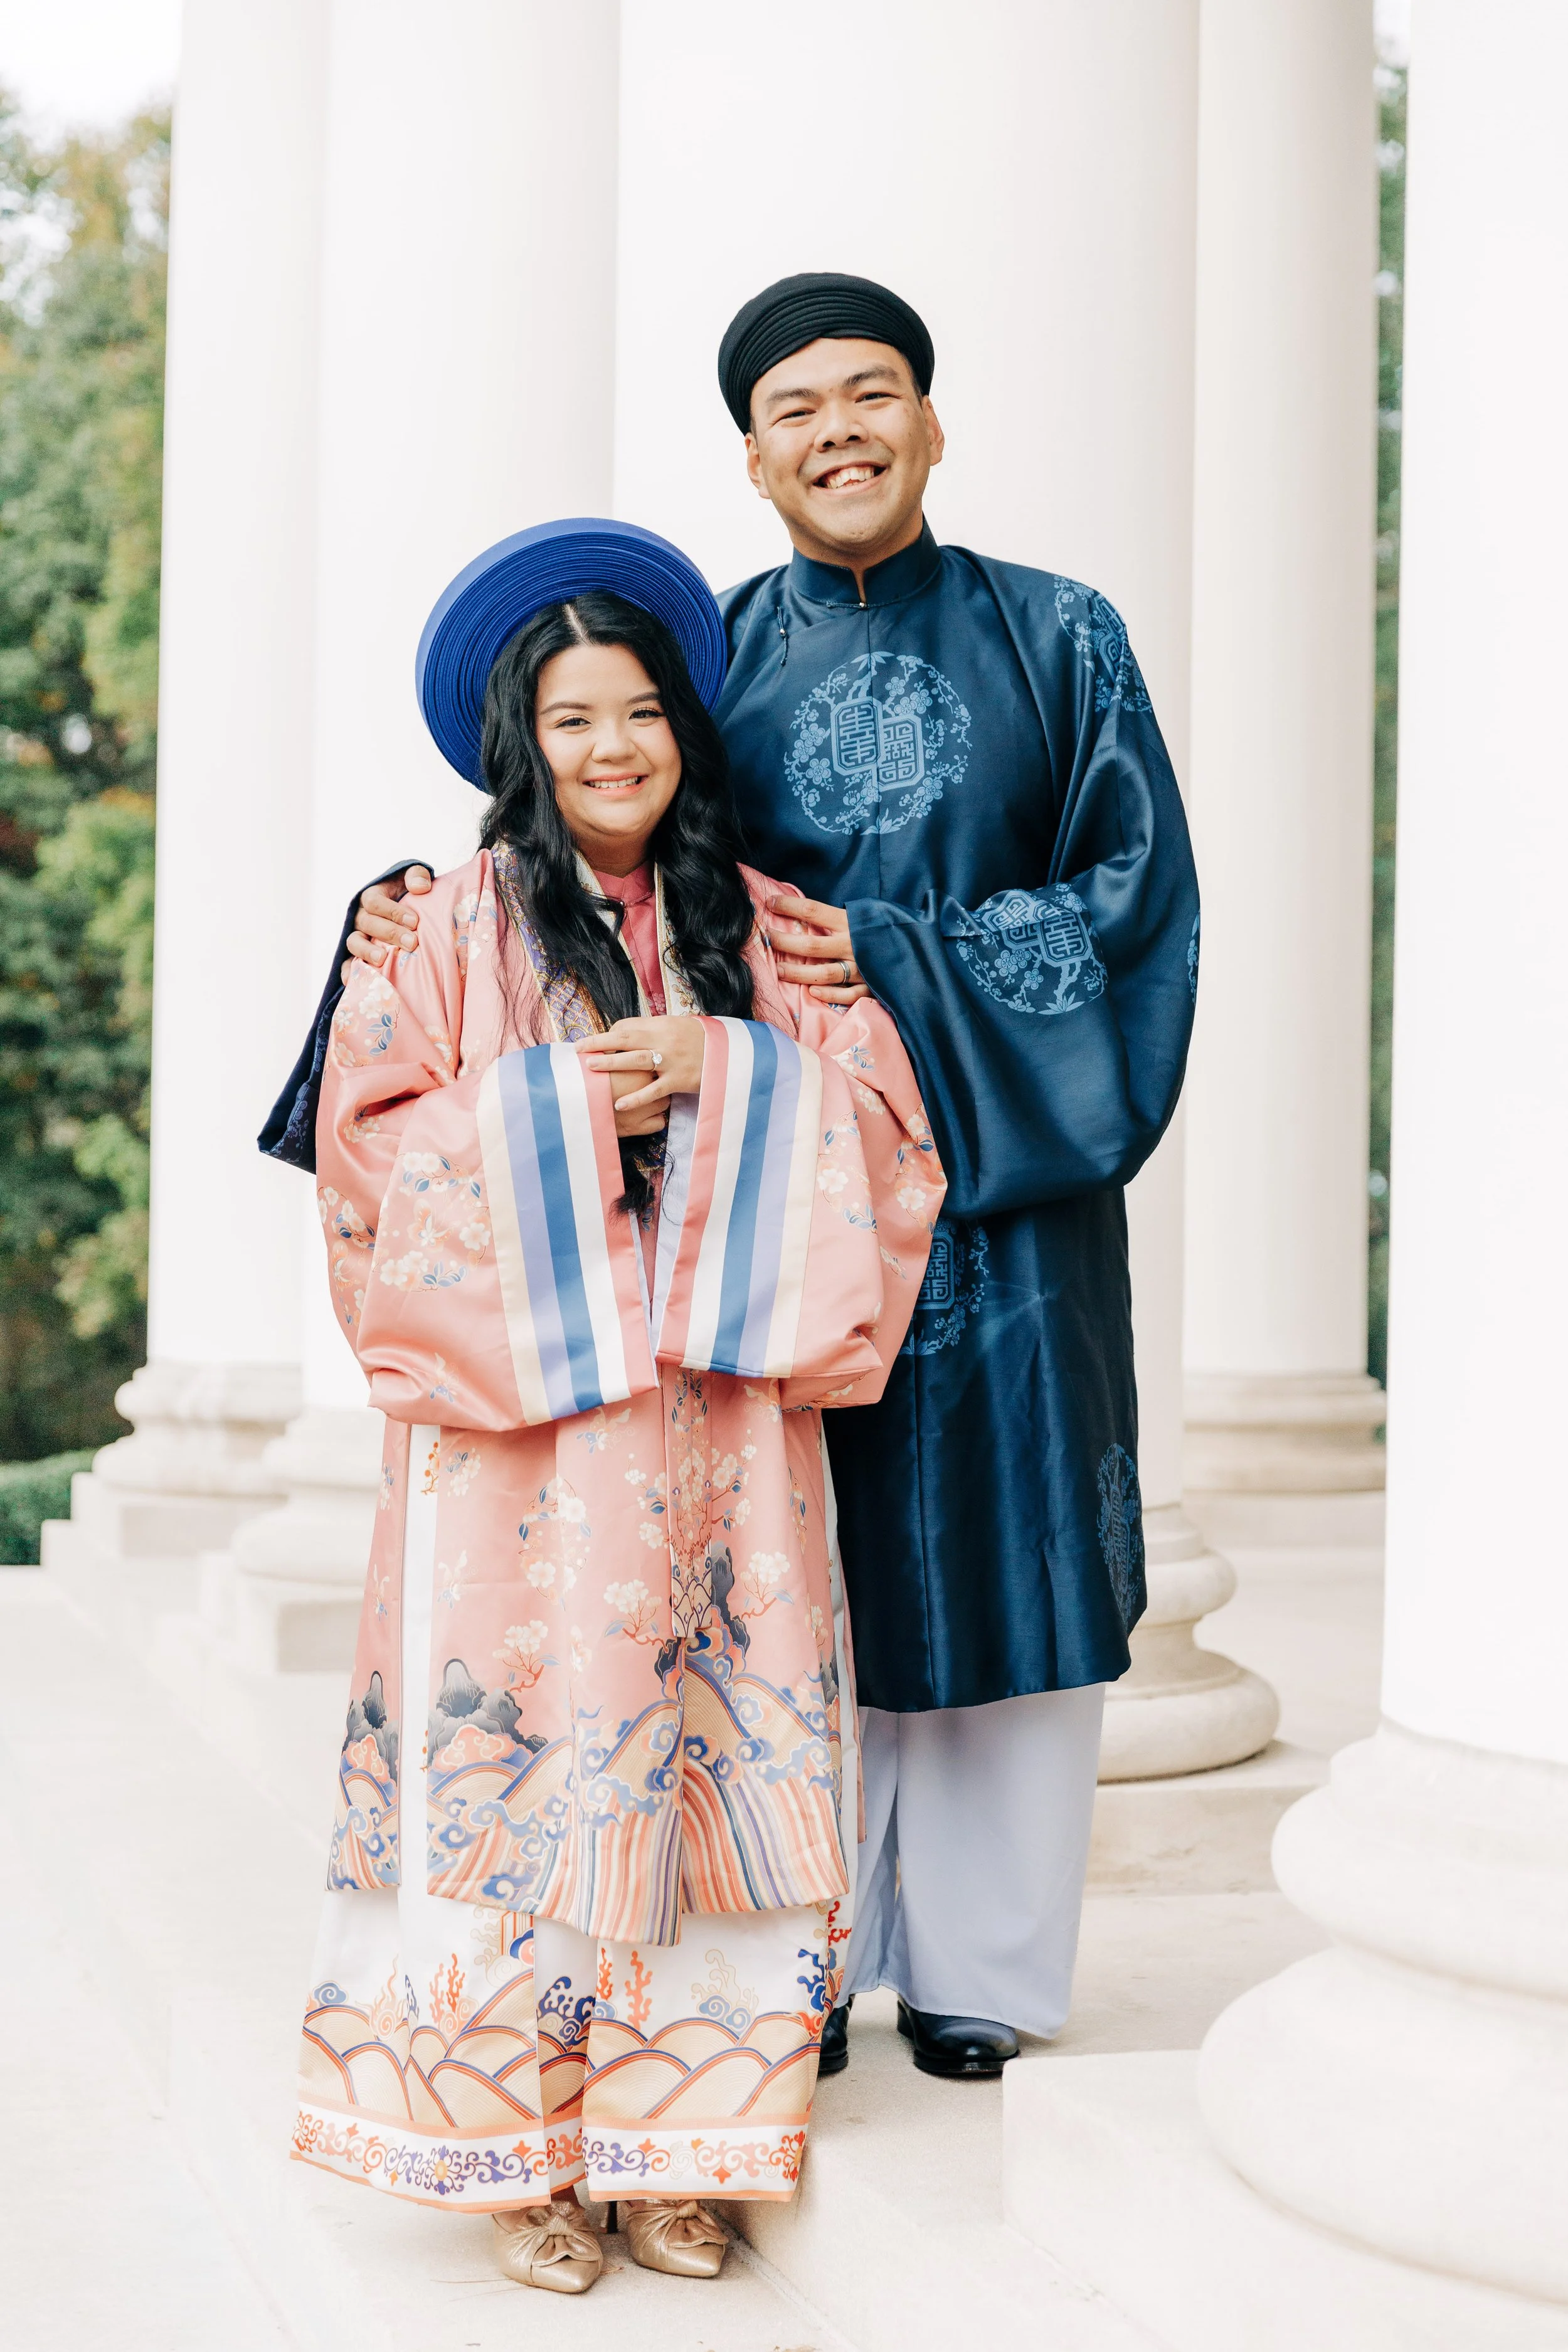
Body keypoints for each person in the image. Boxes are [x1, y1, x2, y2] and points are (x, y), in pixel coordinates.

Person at [269, 273, 1199, 2083]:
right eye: (798, 406)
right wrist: (406, 908)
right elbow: (607, 854)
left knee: (1006, 1566)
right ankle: (790, 1967)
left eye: (873, 393)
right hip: (752, 1212)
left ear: (932, 418)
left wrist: (908, 971)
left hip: (997, 1196)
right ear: (750, 453)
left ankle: (985, 1976)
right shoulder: (720, 659)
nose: (839, 429)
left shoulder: (1061, 637)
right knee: (776, 1583)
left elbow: (1133, 899)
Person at [287, 517, 941, 2293]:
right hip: (520, 1452)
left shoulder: (776, 931)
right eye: (570, 720)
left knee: (711, 1741)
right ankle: (526, 2158)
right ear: (522, 741)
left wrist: (728, 1075)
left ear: (683, 728)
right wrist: (573, 1104)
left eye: (638, 711)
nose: (610, 749)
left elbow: (892, 1149)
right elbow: (366, 1165)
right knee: (527, 1759)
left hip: (725, 1431)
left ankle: (683, 2150)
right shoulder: (431, 930)